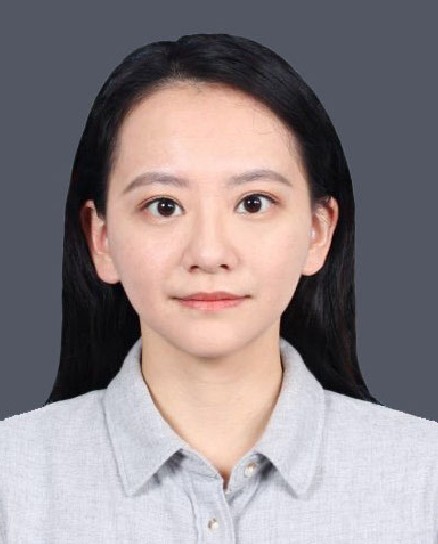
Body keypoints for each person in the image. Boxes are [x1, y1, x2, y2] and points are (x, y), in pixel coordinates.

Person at [0, 33, 436, 542]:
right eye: (164, 206)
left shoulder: (424, 480)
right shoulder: (13, 481)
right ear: (102, 239)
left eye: (253, 203)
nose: (208, 254)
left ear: (318, 233)